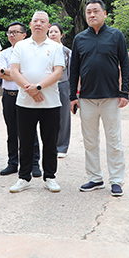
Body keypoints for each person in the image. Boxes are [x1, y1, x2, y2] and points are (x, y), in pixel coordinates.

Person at [69, 0, 129, 197]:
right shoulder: (79, 39)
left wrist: (124, 92)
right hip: (86, 98)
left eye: (96, 11)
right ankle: (95, 178)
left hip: (111, 98)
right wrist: (72, 96)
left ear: (104, 13)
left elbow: (125, 64)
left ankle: (116, 180)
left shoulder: (116, 35)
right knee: (90, 141)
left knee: (114, 140)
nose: (92, 15)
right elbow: (74, 69)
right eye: (88, 12)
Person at [8, 11, 65, 193]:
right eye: (35, 21)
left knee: (50, 142)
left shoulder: (55, 47)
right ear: (31, 25)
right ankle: (24, 178)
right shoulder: (21, 46)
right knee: (25, 142)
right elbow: (14, 71)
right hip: (25, 102)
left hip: (50, 103)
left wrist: (38, 87)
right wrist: (30, 89)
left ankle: (50, 177)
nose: (38, 23)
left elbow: (58, 72)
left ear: (48, 26)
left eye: (42, 21)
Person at [0, 22, 41, 177]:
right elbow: (1, 73)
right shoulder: (4, 53)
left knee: (30, 131)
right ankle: (12, 163)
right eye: (9, 32)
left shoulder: (31, 52)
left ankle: (34, 163)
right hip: (8, 96)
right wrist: (16, 73)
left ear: (24, 35)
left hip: (25, 95)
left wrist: (10, 72)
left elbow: (28, 74)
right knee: (11, 131)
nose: (11, 35)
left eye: (15, 32)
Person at [49, 23, 72, 158]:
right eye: (50, 32)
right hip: (47, 86)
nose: (53, 34)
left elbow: (71, 72)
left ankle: (62, 147)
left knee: (64, 116)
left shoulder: (67, 52)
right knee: (49, 116)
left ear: (61, 35)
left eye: (56, 32)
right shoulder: (44, 50)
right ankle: (50, 145)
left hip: (63, 85)